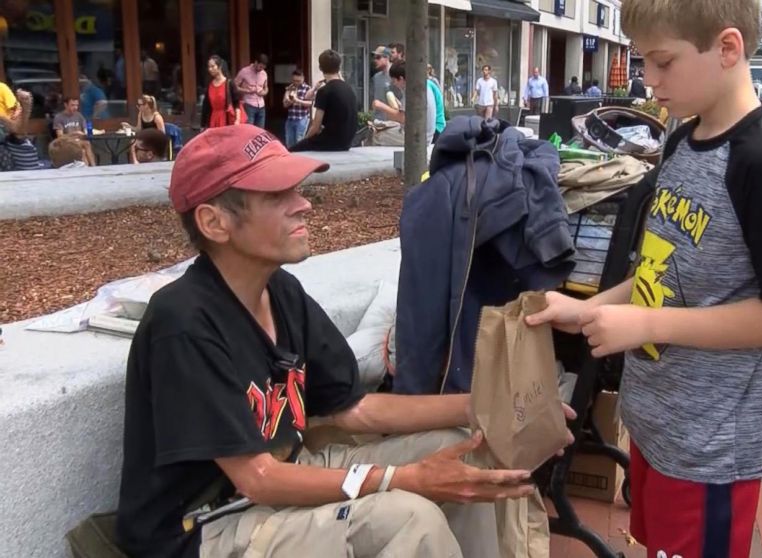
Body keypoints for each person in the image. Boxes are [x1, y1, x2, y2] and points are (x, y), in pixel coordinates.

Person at [115, 123, 568, 558]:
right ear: (215, 222)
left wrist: (489, 405)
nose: (303, 205)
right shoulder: (184, 323)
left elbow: (354, 408)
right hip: (208, 525)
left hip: (284, 476)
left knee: (470, 449)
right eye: (277, 195)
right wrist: (404, 478)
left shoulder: (280, 290)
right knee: (407, 517)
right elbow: (257, 478)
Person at [527, 0, 762, 556]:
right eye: (643, 62)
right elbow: (658, 269)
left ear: (727, 48)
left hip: (710, 449)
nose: (648, 80)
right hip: (658, 424)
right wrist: (583, 308)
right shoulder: (682, 141)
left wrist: (647, 323)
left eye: (663, 62)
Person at [289, 50, 357, 153]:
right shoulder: (349, 88)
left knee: (291, 150)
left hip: (331, 142)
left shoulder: (324, 91)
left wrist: (305, 141)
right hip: (347, 142)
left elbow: (316, 126)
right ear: (339, 68)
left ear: (320, 68)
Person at [371, 60, 436, 147]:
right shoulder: (423, 85)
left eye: (394, 81)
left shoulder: (411, 90)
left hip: (417, 137)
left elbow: (402, 118)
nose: (394, 84)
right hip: (426, 134)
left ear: (401, 79)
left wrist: (380, 106)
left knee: (376, 135)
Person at [201, 55, 244, 129]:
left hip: (227, 119)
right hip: (213, 120)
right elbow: (206, 106)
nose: (210, 69)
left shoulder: (230, 83)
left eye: (212, 66)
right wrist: (203, 125)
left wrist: (237, 120)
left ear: (219, 66)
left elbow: (236, 103)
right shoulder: (210, 85)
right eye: (209, 67)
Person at [52, 97, 97, 166]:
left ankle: (91, 168)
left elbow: (85, 129)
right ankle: (91, 167)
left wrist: (88, 132)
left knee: (85, 147)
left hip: (79, 141)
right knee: (84, 147)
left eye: (77, 105)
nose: (75, 107)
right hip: (66, 143)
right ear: (66, 105)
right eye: (72, 105)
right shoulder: (59, 117)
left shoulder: (79, 116)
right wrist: (75, 133)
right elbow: (60, 136)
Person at [236, 53, 270, 128]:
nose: (261, 69)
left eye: (263, 68)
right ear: (256, 62)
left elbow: (266, 88)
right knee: (249, 130)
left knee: (260, 131)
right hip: (249, 104)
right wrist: (246, 91)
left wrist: (264, 92)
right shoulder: (244, 71)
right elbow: (234, 87)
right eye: (260, 66)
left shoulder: (264, 73)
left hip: (261, 105)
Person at [282, 70, 311, 148]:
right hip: (290, 118)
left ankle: (300, 158)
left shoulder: (308, 88)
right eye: (294, 80)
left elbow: (311, 103)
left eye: (298, 81)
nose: (296, 83)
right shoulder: (290, 88)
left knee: (299, 141)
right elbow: (285, 104)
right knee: (289, 142)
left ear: (303, 78)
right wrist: (290, 100)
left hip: (302, 118)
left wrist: (297, 100)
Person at [370, 46, 399, 121]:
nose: (375, 60)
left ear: (387, 58)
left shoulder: (396, 76)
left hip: (393, 122)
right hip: (378, 120)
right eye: (374, 57)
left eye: (378, 57)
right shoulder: (376, 77)